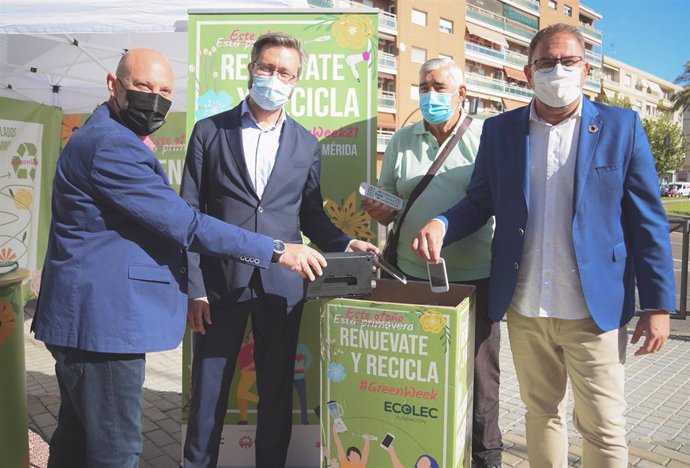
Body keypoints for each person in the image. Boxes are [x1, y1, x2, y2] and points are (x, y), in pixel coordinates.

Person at [30, 48, 327, 468]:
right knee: (116, 451)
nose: (155, 99)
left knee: (77, 442)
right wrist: (276, 251)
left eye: (165, 90)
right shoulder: (118, 146)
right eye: (143, 87)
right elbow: (187, 221)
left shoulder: (109, 136)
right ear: (114, 86)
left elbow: (310, 211)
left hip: (98, 318)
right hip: (103, 322)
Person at [413, 23, 675, 467]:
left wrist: (657, 305)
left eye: (568, 61)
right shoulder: (501, 132)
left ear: (585, 69)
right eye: (546, 62)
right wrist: (441, 222)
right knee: (541, 415)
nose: (558, 70)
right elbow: (480, 201)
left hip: (594, 310)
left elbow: (647, 222)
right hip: (526, 306)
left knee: (605, 428)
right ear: (527, 72)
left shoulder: (621, 127)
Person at [181, 32, 379, 468]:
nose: (274, 78)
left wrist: (345, 242)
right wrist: (194, 289)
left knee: (275, 396)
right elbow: (188, 216)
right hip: (218, 288)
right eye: (267, 68)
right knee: (208, 395)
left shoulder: (307, 144)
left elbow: (310, 216)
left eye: (284, 72)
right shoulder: (209, 132)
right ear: (250, 69)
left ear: (297, 80)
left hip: (282, 290)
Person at [362, 57, 502, 468]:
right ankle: (422, 446)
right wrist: (380, 207)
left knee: (480, 376)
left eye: (439, 87)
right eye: (423, 87)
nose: (429, 95)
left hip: (475, 278)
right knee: (419, 374)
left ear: (462, 94)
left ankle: (485, 456)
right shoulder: (404, 140)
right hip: (410, 276)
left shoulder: (485, 137)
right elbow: (390, 194)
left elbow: (491, 200)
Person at [235, 331, 258, 425]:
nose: (253, 333)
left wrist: (246, 367)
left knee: (241, 393)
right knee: (240, 396)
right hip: (245, 373)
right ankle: (244, 419)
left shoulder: (256, 346)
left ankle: (261, 401)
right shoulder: (244, 346)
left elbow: (256, 361)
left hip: (252, 372)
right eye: (251, 332)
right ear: (248, 335)